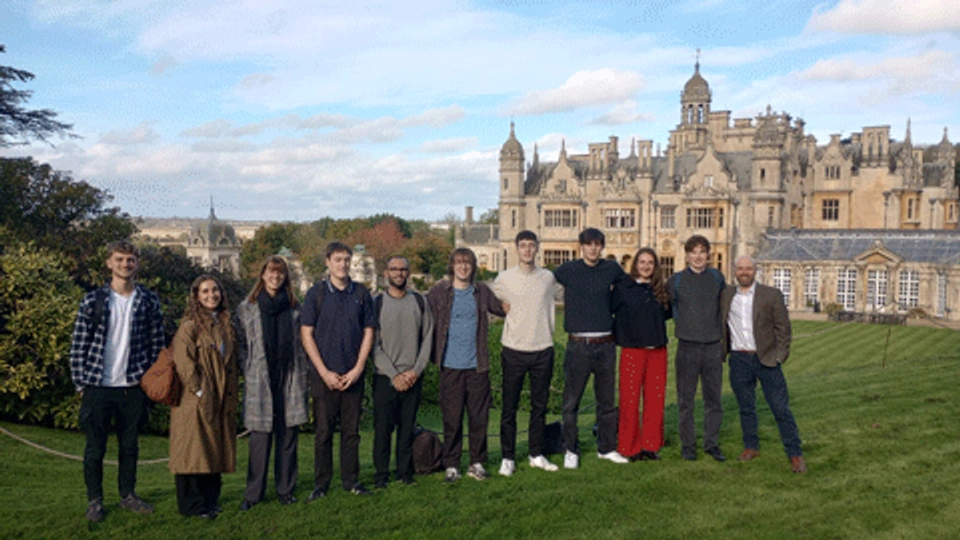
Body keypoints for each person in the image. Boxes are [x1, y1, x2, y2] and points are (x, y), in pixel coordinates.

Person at [70, 240, 165, 522]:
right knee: (94, 449)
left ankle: (128, 495)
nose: (125, 264)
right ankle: (95, 500)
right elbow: (78, 345)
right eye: (120, 259)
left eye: (130, 260)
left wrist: (150, 383)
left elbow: (157, 345)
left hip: (133, 386)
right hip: (98, 384)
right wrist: (80, 383)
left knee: (130, 446)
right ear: (109, 263)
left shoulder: (148, 300)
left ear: (137, 264)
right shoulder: (93, 300)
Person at [301, 242, 376, 499]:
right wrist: (323, 372)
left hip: (352, 374)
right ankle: (321, 484)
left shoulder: (361, 293)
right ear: (327, 262)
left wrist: (358, 369)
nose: (342, 264)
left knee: (351, 433)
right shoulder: (316, 294)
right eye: (338, 260)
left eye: (346, 260)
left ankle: (351, 481)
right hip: (324, 376)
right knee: (323, 433)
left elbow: (369, 332)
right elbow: (306, 334)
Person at [236, 256, 310, 510]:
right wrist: (248, 367)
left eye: (280, 273)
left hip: (289, 379)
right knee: (259, 442)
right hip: (261, 381)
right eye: (271, 272)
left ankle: (285, 490)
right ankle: (253, 494)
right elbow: (241, 345)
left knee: (288, 440)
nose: (275, 277)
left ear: (285, 277)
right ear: (263, 274)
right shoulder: (247, 308)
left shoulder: (295, 308)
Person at [722, 256, 807, 473]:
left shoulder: (770, 294)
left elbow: (783, 328)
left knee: (780, 407)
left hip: (766, 358)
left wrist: (780, 356)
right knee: (746, 407)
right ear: (735, 271)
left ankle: (795, 453)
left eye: (748, 269)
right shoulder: (726, 295)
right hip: (739, 358)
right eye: (740, 268)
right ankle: (751, 446)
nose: (744, 272)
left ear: (755, 271)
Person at [427, 247, 505, 482]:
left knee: (478, 418)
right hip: (450, 365)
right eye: (459, 263)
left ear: (473, 267)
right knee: (452, 418)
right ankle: (452, 464)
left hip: (477, 366)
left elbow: (502, 309)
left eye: (468, 263)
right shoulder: (439, 292)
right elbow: (420, 313)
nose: (463, 267)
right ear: (452, 266)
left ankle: (476, 462)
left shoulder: (481, 291)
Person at [553, 228, 628, 468]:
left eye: (597, 244)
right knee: (571, 402)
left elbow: (629, 290)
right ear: (581, 246)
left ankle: (606, 448)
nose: (593, 248)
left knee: (606, 401)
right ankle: (570, 449)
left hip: (606, 345)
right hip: (579, 346)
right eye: (588, 244)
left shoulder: (612, 269)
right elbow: (542, 284)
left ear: (602, 247)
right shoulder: (568, 270)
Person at [169, 275, 238, 518]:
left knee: (212, 450)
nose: (212, 295)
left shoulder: (224, 324)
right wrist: (199, 390)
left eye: (215, 290)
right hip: (195, 399)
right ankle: (192, 506)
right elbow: (183, 361)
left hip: (219, 398)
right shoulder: (190, 326)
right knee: (193, 453)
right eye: (206, 291)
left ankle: (210, 501)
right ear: (196, 296)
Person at [492, 231, 560, 476]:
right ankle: (507, 457)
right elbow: (490, 301)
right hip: (513, 349)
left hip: (542, 348)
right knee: (509, 408)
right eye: (523, 246)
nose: (528, 250)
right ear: (516, 249)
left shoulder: (548, 278)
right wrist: (500, 309)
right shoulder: (504, 278)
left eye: (532, 246)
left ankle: (536, 454)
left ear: (538, 248)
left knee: (539, 407)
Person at [372, 256, 433, 489]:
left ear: (408, 273)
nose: (399, 273)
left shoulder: (419, 301)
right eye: (394, 269)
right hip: (385, 377)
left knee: (407, 429)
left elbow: (428, 337)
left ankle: (404, 472)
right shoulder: (377, 303)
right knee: (383, 430)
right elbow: (373, 344)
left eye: (403, 269)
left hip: (413, 376)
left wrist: (415, 371)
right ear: (386, 273)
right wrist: (393, 375)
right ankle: (381, 475)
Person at [667, 235, 727, 462]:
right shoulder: (676, 281)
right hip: (687, 347)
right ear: (687, 255)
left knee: (714, 400)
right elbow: (664, 307)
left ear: (708, 255)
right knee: (686, 400)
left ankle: (711, 444)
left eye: (702, 251)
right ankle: (688, 446)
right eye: (694, 251)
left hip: (712, 346)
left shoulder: (717, 278)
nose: (698, 256)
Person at [612, 247, 672, 462]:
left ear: (655, 267)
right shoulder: (623, 288)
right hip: (632, 351)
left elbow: (667, 314)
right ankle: (629, 447)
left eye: (650, 263)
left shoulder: (660, 290)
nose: (646, 266)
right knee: (629, 400)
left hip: (657, 351)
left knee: (655, 400)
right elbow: (613, 311)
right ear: (635, 264)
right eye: (642, 262)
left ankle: (650, 445)